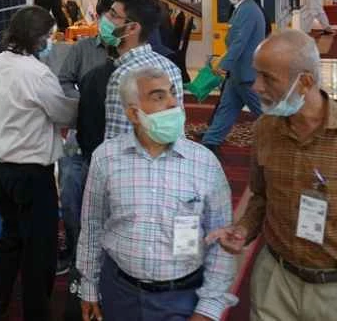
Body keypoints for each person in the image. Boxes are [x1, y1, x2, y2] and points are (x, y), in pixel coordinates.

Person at [209, 29, 337, 320]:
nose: (256, 86)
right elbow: (261, 196)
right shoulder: (265, 129)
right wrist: (243, 229)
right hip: (277, 280)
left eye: (267, 78)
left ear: (305, 82)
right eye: (256, 74)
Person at [78, 67, 237, 321]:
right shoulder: (106, 158)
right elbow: (92, 226)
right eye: (159, 96)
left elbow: (222, 241)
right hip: (119, 292)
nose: (173, 103)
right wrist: (89, 287)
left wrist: (208, 308)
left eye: (173, 93)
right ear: (134, 114)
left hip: (182, 298)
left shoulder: (204, 163)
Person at [0, 6, 78, 321]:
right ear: (37, 38)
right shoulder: (37, 73)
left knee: (10, 239)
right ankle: (36, 313)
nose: (51, 42)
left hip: (1, 170)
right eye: (49, 36)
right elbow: (62, 113)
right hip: (33, 173)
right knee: (39, 250)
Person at [56, 0, 120, 270]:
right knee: (71, 193)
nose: (111, 23)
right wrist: (83, 100)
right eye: (108, 16)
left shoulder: (131, 55)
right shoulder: (82, 49)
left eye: (117, 18)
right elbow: (63, 80)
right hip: (80, 135)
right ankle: (74, 249)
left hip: (115, 137)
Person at [103, 0, 184, 141]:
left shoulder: (123, 75)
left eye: (113, 15)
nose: (105, 18)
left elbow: (117, 140)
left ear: (132, 28)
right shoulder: (170, 66)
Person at [201, 0, 265, 154]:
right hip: (238, 72)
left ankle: (284, 140)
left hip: (245, 72)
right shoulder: (244, 8)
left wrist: (225, 64)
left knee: (263, 112)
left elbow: (239, 42)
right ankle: (210, 142)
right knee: (227, 108)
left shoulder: (248, 10)